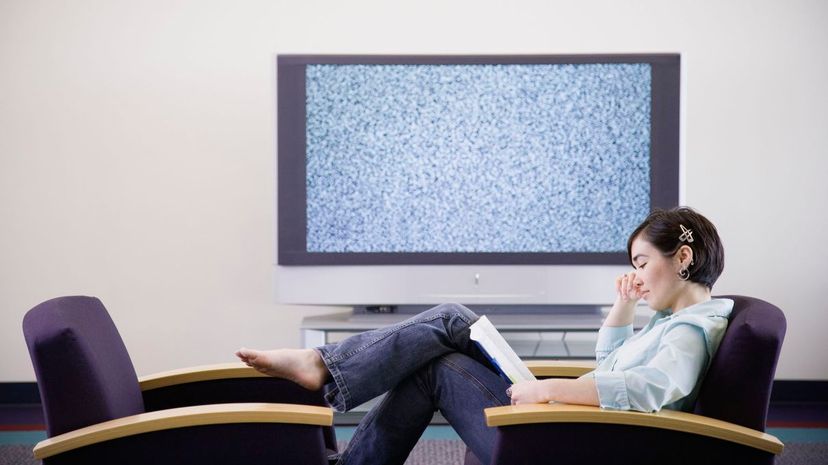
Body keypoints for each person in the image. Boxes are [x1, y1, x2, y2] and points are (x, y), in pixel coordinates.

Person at [236, 206, 732, 465]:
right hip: (570, 428)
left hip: (573, 444)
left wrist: (548, 390)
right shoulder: (674, 324)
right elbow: (614, 367)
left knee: (451, 324)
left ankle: (325, 366)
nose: (637, 277)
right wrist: (625, 306)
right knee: (444, 341)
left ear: (683, 259)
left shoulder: (693, 330)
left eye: (642, 264)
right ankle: (325, 367)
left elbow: (645, 393)